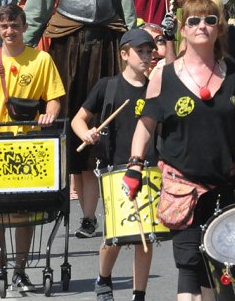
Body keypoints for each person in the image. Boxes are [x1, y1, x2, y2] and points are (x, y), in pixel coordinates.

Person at [23, 0, 137, 240]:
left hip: (107, 51)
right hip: (66, 52)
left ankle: (92, 217)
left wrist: (138, 46)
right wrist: (20, 56)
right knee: (64, 126)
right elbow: (36, 14)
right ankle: (59, 205)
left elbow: (127, 12)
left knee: (105, 129)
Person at [124, 0, 235, 300]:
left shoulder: (233, 72)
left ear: (219, 27)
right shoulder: (162, 76)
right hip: (184, 186)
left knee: (222, 267)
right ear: (183, 28)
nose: (202, 26)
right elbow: (146, 125)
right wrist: (135, 165)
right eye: (193, 21)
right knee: (190, 264)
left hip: (226, 186)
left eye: (209, 19)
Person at [0, 4, 65, 292]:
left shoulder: (41, 60)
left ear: (24, 26)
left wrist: (50, 114)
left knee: (26, 209)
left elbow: (54, 96)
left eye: (15, 26)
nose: (10, 31)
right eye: (4, 26)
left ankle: (19, 269)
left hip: (30, 144)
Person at [71, 29, 157, 301]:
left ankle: (139, 294)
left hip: (149, 168)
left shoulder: (156, 89)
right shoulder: (108, 86)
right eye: (139, 51)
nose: (146, 56)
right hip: (114, 170)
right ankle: (104, 277)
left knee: (146, 235)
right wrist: (87, 133)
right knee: (117, 235)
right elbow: (78, 119)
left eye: (149, 51)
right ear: (124, 54)